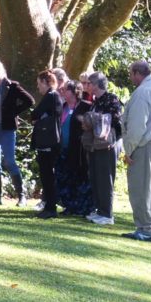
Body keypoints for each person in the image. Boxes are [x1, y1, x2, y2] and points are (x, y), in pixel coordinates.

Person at [120, 61, 151, 242]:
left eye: (130, 73)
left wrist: (129, 150)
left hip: (145, 144)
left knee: (140, 187)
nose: (130, 77)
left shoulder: (143, 92)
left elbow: (136, 126)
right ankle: (148, 226)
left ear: (136, 72)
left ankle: (146, 228)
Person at [0, 58, 35, 206]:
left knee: (10, 161)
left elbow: (29, 101)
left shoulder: (12, 86)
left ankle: (21, 196)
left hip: (7, 128)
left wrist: (13, 112)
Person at [85, 72, 123, 225]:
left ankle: (107, 214)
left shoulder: (111, 99)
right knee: (95, 176)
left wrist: (92, 118)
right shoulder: (96, 101)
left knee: (105, 177)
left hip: (108, 144)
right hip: (95, 144)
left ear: (95, 84)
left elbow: (115, 117)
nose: (86, 86)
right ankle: (100, 210)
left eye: (88, 83)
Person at [54, 81, 92, 216]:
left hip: (79, 151)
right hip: (62, 149)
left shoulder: (86, 107)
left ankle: (81, 207)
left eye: (65, 90)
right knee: (63, 178)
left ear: (75, 91)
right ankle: (68, 206)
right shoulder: (62, 106)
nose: (62, 92)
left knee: (79, 179)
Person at [31, 70, 63, 219]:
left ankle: (50, 207)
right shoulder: (53, 96)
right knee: (46, 174)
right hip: (49, 141)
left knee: (47, 174)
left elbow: (35, 113)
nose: (38, 87)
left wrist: (37, 118)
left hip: (48, 141)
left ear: (46, 82)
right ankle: (50, 205)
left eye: (39, 84)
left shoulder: (51, 96)